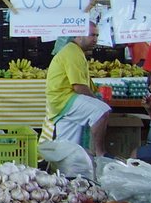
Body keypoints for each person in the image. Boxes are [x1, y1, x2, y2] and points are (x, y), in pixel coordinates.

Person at [44, 23, 110, 156]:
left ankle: (63, 174)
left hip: (59, 103)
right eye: (92, 35)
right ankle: (100, 153)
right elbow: (79, 87)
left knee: (68, 148)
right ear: (79, 34)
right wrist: (96, 101)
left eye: (97, 35)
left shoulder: (74, 51)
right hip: (65, 99)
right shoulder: (73, 52)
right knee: (102, 111)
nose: (95, 39)